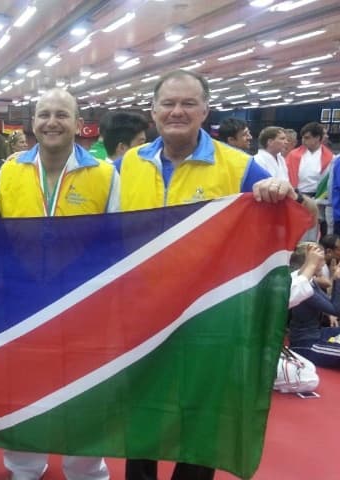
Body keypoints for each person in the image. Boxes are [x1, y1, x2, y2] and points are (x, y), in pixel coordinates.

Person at [116, 69, 316, 480]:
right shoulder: (128, 165)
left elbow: (304, 214)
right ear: (153, 111)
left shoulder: (239, 166)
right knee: (142, 416)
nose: (177, 111)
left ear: (205, 111)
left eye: (189, 103)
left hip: (209, 318)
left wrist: (287, 193)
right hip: (143, 315)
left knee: (203, 418)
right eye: (168, 103)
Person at [0, 88, 116, 480]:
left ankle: (85, 468)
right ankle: (24, 466)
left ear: (78, 123)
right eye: (44, 114)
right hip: (23, 301)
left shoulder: (104, 174)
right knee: (21, 388)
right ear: (32, 122)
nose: (52, 122)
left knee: (86, 391)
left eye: (62, 114)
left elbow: (120, 236)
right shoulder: (9, 170)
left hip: (84, 303)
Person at [288, 243, 340, 368]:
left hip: (317, 334)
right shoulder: (302, 284)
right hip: (306, 344)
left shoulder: (309, 281)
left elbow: (330, 305)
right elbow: (336, 309)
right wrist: (337, 280)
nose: (323, 264)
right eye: (320, 260)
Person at [286, 122, 333, 241]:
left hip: (318, 198)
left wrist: (319, 199)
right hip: (297, 196)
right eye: (302, 137)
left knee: (314, 231)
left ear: (317, 138)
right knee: (297, 230)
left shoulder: (330, 158)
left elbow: (328, 183)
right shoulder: (293, 155)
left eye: (307, 137)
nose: (303, 140)